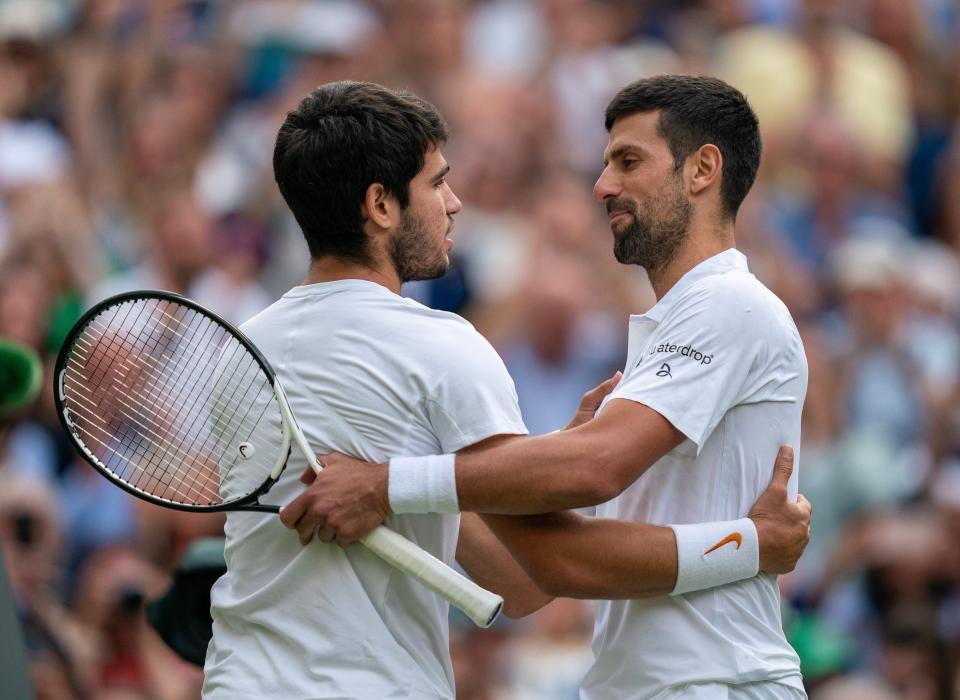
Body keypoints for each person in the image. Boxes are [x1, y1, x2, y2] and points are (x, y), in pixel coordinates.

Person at [207, 80, 809, 699]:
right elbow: (540, 567)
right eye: (437, 182)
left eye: (627, 161)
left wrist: (387, 485)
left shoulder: (237, 350)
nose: (601, 186)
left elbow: (547, 545)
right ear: (382, 206)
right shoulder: (446, 348)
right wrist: (749, 547)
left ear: (704, 168)